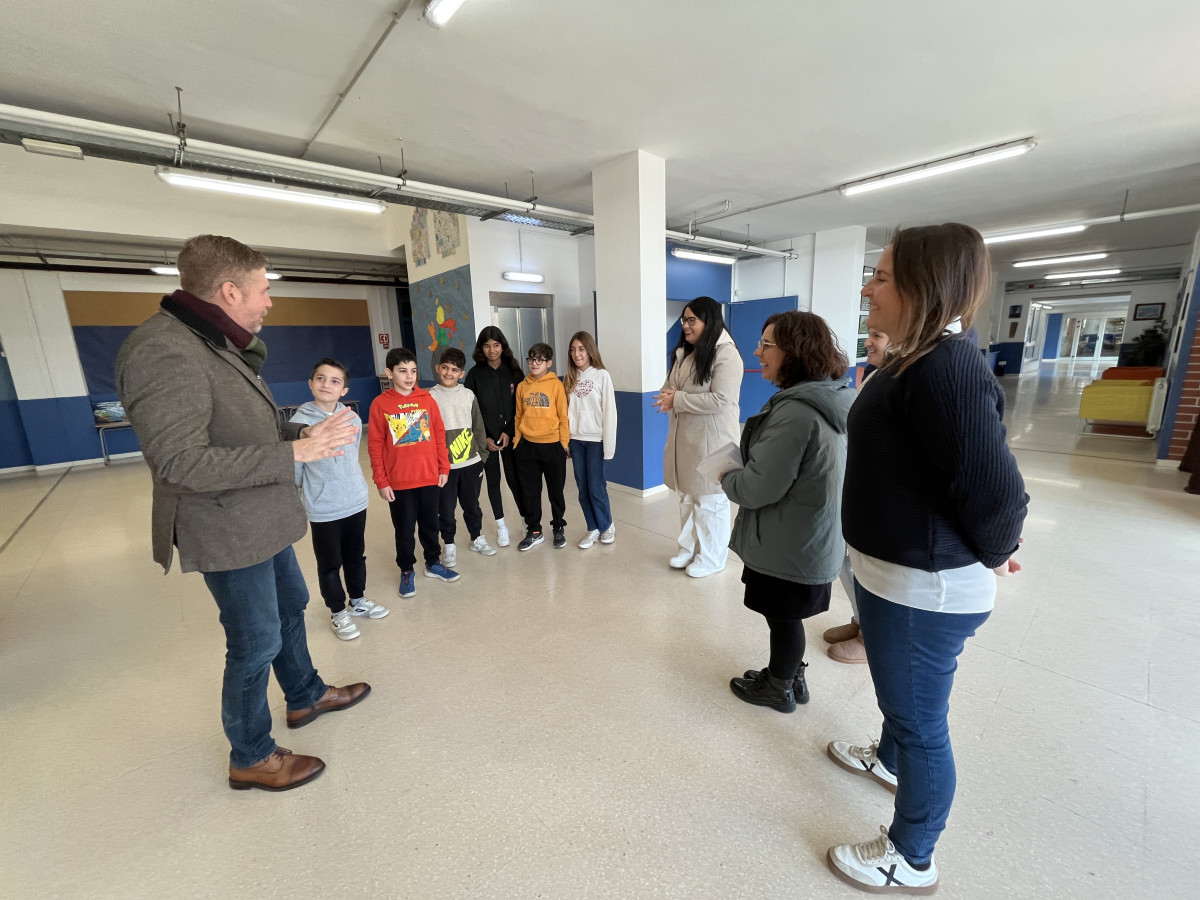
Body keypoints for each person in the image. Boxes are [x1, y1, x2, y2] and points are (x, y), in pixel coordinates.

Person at [115, 234, 370, 792]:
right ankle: (251, 755)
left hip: (262, 517)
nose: (269, 302)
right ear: (229, 291)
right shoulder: (165, 350)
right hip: (225, 526)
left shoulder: (217, 342)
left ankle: (304, 696)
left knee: (291, 606)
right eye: (263, 289)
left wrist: (303, 431)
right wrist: (294, 452)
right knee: (254, 640)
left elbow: (245, 424)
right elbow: (179, 462)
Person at [825, 224, 1027, 895]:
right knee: (898, 698)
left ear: (922, 285)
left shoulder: (947, 367)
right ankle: (887, 759)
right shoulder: (913, 357)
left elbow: (995, 490)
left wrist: (996, 549)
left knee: (919, 723)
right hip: (893, 576)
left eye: (880, 277)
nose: (867, 288)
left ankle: (911, 855)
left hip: (926, 588)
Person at [722, 312, 855, 712]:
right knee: (787, 617)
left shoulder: (797, 412)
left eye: (767, 345)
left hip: (789, 542)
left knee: (782, 618)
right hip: (807, 535)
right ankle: (790, 675)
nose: (757, 352)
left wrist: (727, 474)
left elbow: (758, 487)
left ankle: (778, 686)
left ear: (794, 351)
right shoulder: (831, 397)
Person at [290, 358, 388, 642]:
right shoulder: (299, 423)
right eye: (320, 379)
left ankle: (357, 600)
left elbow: (351, 456)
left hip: (354, 500)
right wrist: (305, 494)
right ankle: (337, 611)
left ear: (344, 389)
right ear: (310, 384)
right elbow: (297, 465)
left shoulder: (353, 419)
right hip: (323, 507)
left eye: (335, 381)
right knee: (330, 563)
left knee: (356, 556)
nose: (326, 385)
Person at [653, 296, 743, 577]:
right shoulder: (685, 353)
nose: (686, 325)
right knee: (688, 497)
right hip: (687, 440)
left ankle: (713, 557)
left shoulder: (726, 354)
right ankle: (688, 548)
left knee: (711, 501)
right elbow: (671, 386)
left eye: (692, 320)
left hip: (713, 442)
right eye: (684, 320)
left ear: (710, 321)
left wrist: (677, 399)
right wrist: (671, 395)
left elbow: (721, 400)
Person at [368, 347, 458, 598]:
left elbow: (439, 435)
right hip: (399, 482)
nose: (409, 376)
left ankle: (432, 562)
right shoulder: (380, 404)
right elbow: (375, 445)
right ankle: (406, 569)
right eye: (402, 371)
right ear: (389, 373)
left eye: (413, 371)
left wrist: (444, 467)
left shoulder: (427, 400)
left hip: (429, 477)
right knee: (405, 529)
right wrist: (381, 481)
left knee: (430, 525)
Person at [825, 326, 891, 665]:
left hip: (878, 499)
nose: (868, 341)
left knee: (861, 566)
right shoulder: (877, 377)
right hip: (857, 489)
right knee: (848, 562)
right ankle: (861, 621)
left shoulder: (902, 383)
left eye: (877, 336)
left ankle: (873, 636)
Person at [429, 347, 495, 563]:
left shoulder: (468, 395)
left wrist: (481, 459)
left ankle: (476, 538)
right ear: (438, 368)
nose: (449, 373)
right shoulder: (429, 397)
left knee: (472, 506)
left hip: (471, 464)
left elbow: (478, 428)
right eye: (445, 368)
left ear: (462, 373)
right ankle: (449, 545)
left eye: (455, 369)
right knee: (445, 510)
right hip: (444, 469)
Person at [464, 326, 525, 547]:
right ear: (481, 348)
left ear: (503, 346)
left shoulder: (514, 372)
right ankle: (501, 526)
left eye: (496, 345)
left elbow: (522, 407)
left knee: (515, 479)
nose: (492, 350)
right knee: (493, 482)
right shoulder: (474, 375)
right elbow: (471, 411)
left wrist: (509, 431)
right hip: (486, 440)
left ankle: (527, 521)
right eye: (487, 346)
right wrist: (485, 439)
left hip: (511, 437)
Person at [513, 342, 570, 551]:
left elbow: (563, 416)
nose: (534, 364)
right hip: (527, 447)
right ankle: (534, 530)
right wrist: (517, 442)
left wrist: (564, 443)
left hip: (553, 446)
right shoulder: (522, 386)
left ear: (549, 362)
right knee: (530, 492)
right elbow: (518, 416)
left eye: (539, 360)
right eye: (531, 359)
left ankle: (558, 527)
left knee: (556, 492)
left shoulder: (556, 385)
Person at [565, 331, 618, 549]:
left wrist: (609, 447)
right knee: (582, 487)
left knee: (596, 487)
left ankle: (606, 526)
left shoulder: (602, 375)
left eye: (581, 349)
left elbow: (610, 412)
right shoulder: (569, 378)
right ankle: (592, 527)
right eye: (573, 349)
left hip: (595, 440)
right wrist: (566, 441)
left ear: (589, 350)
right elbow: (566, 412)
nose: (577, 354)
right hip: (576, 440)